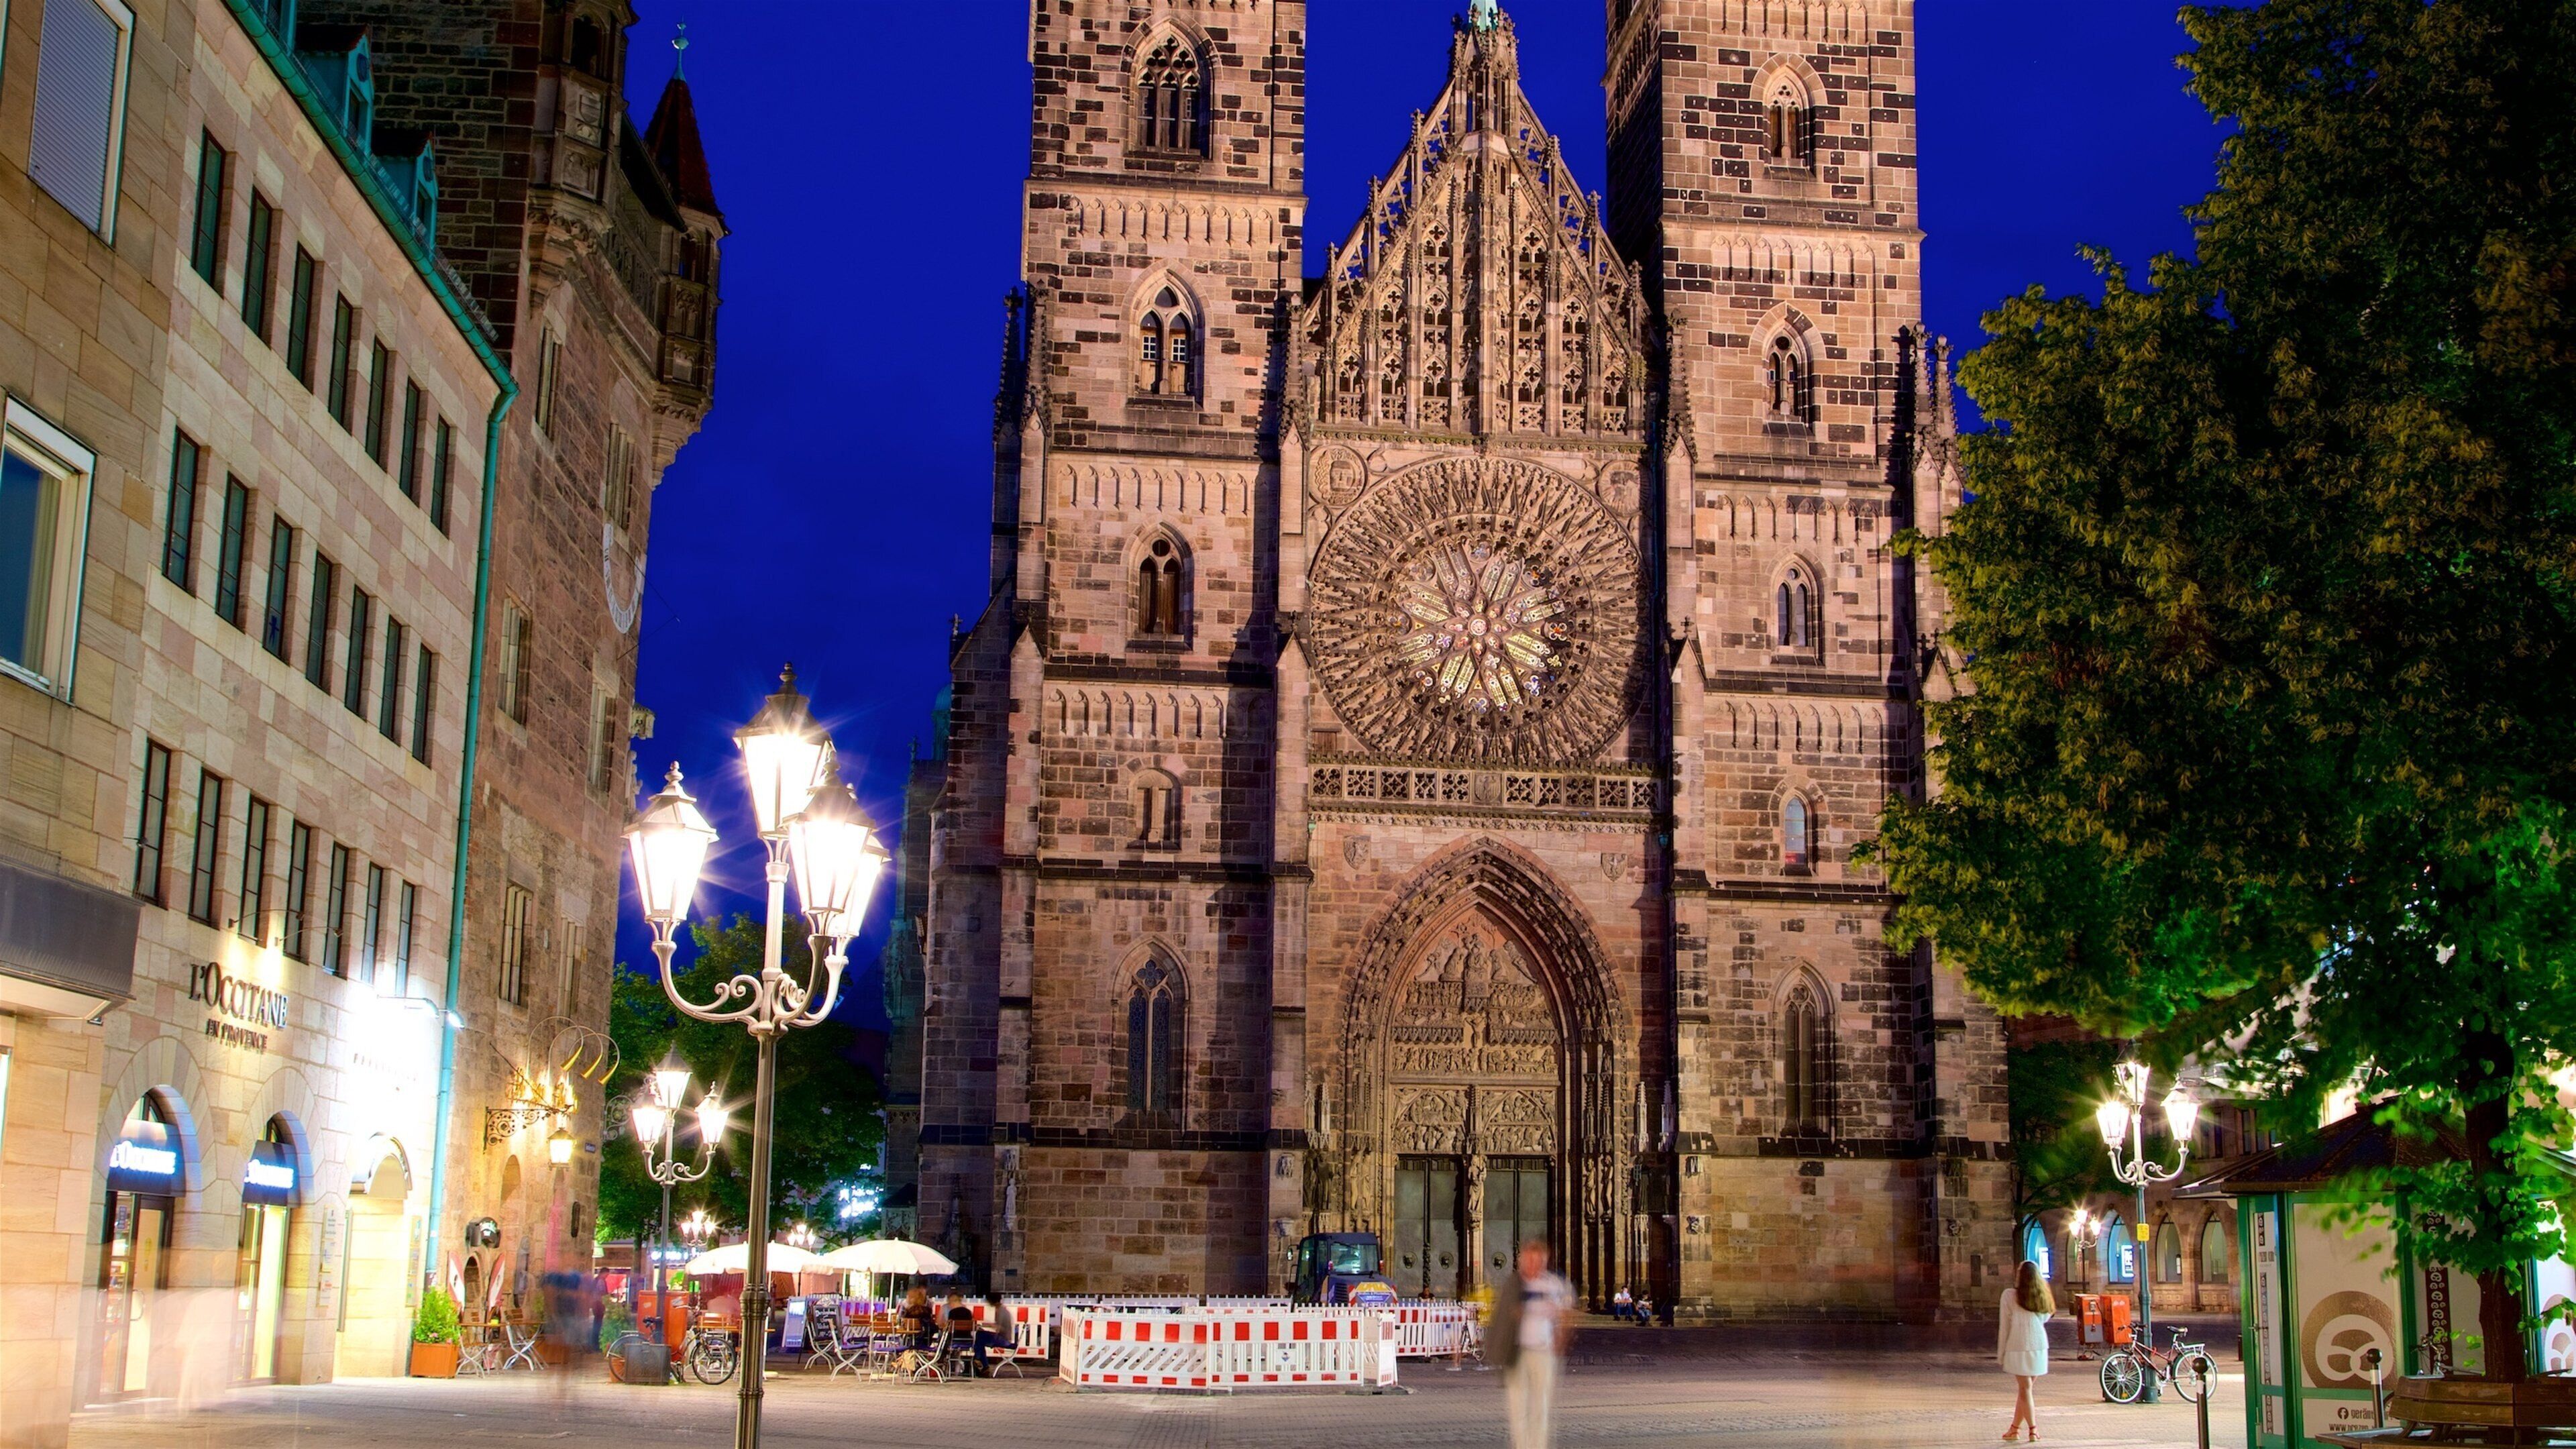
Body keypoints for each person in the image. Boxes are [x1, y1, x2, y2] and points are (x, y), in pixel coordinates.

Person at [1486, 1239, 1575, 1449]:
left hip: (1543, 1352)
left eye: (1537, 1260)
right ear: (1522, 1261)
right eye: (1529, 1260)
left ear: (1544, 1262)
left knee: (1540, 1406)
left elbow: (1567, 1312)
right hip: (1516, 1352)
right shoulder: (1514, 1284)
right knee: (1517, 1406)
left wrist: (1561, 1339)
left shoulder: (1553, 1284)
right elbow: (1501, 1316)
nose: (1533, 1264)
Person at [1998, 1258, 2055, 1442]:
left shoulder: (2009, 1296)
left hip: (2018, 1345)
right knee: (2025, 1390)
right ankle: (2014, 1429)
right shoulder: (2041, 1295)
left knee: (2025, 1389)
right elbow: (2044, 1318)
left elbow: (2005, 1326)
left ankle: (2033, 1430)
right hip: (2039, 1345)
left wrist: (2001, 1353)